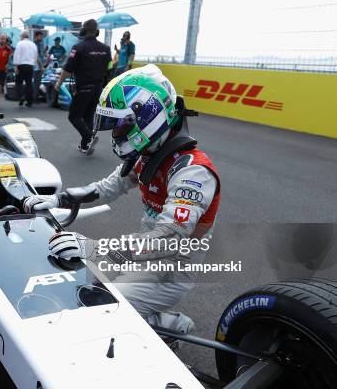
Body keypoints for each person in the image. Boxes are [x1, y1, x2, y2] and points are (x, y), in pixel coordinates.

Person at [24, 64, 221, 335]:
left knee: (104, 309)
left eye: (120, 125)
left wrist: (93, 248)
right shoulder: (148, 153)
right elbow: (107, 187)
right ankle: (145, 312)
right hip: (142, 253)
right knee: (84, 290)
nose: (115, 133)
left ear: (148, 116)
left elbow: (169, 239)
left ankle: (173, 326)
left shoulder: (193, 172)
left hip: (172, 268)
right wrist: (58, 200)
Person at [55, 19, 111, 155]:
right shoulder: (106, 49)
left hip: (84, 88)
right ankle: (85, 145)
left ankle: (88, 136)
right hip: (99, 88)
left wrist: (58, 83)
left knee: (73, 116)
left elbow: (67, 69)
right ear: (97, 32)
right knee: (88, 117)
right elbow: (109, 68)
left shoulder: (78, 48)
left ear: (83, 31)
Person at [13, 30, 37, 108]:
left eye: (20, 36)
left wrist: (15, 66)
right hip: (30, 65)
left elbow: (17, 55)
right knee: (29, 84)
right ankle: (29, 102)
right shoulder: (33, 44)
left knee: (18, 82)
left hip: (21, 65)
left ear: (22, 36)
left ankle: (21, 96)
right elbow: (35, 55)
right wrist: (33, 64)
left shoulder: (20, 44)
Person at [33, 31, 47, 102]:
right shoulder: (34, 44)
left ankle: (36, 96)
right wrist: (41, 66)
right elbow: (36, 57)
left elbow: (42, 53)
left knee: (38, 82)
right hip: (36, 66)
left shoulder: (41, 43)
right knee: (36, 82)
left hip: (40, 64)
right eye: (40, 36)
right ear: (36, 36)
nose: (41, 37)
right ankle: (35, 98)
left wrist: (45, 52)